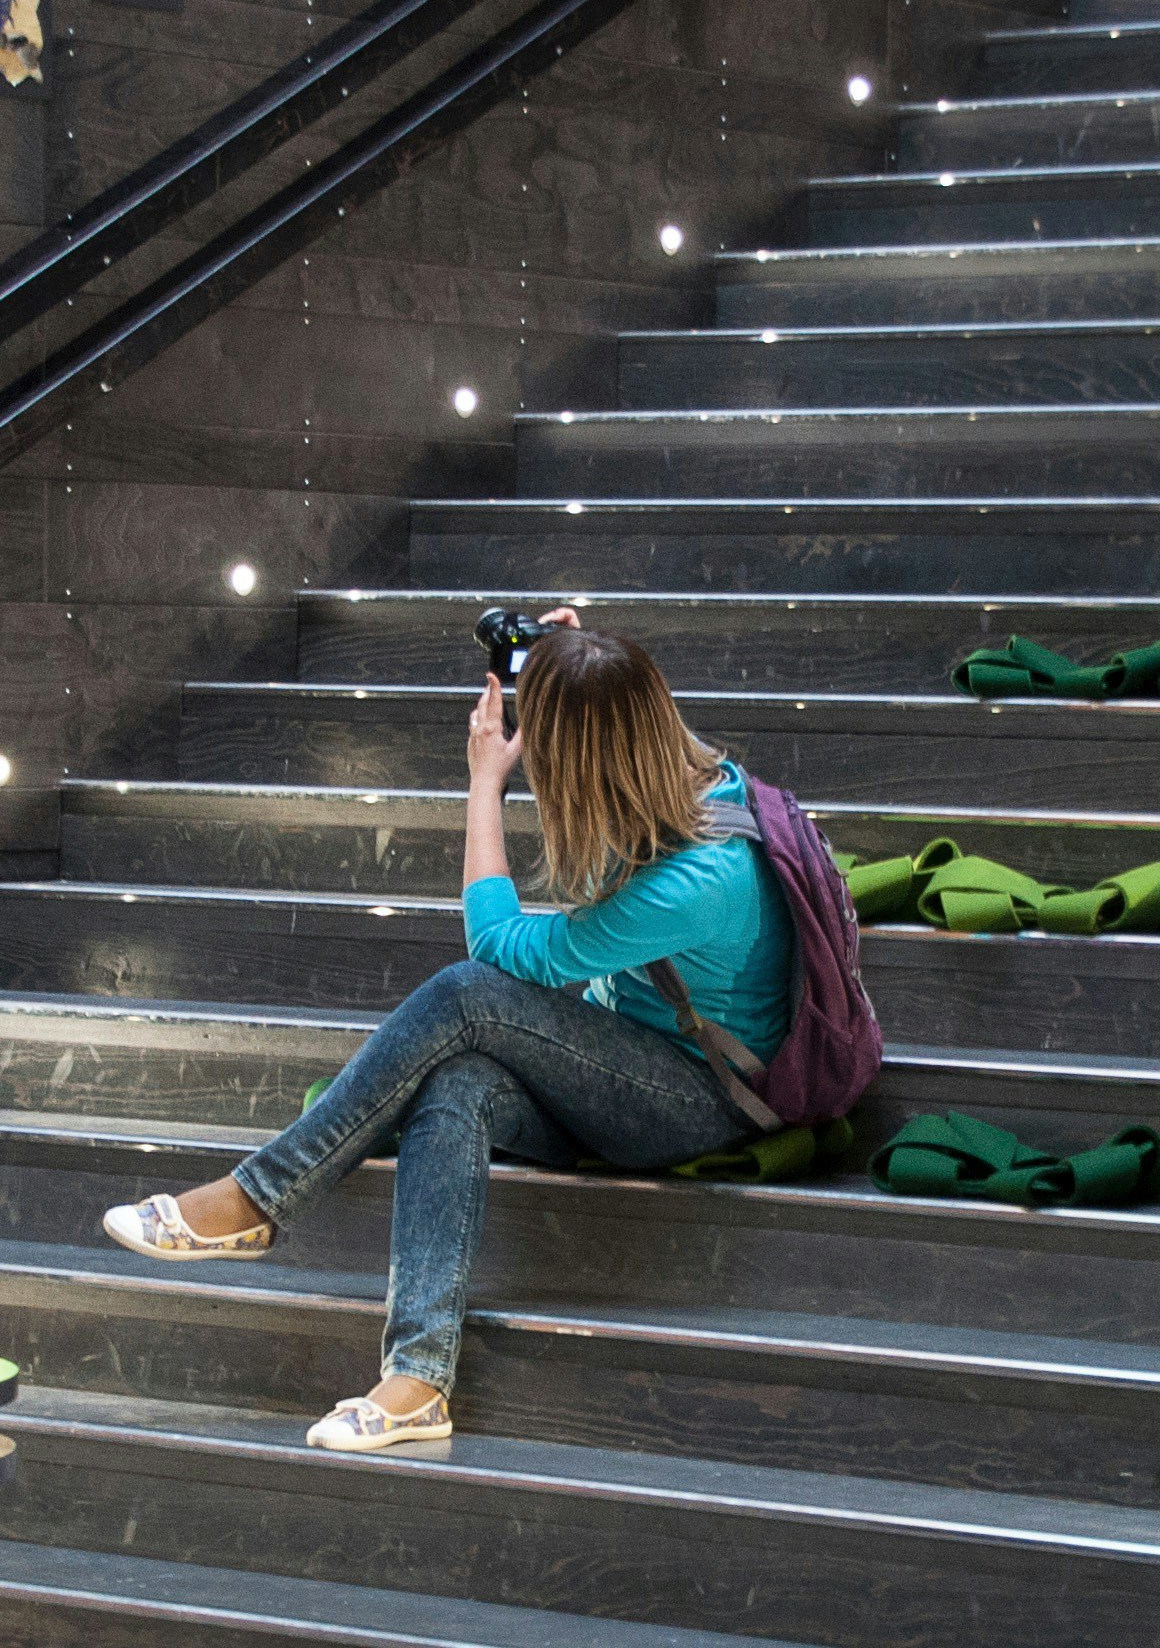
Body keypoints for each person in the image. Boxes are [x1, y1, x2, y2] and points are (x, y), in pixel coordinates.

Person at [100, 614, 795, 1452]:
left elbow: (496, 952)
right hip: (619, 1063)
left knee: (468, 996)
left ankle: (260, 1195)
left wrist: (483, 782)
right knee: (457, 1085)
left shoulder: (700, 881)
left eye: (551, 746)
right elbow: (621, 703)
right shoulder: (688, 770)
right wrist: (568, 658)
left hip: (694, 1102)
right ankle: (419, 1378)